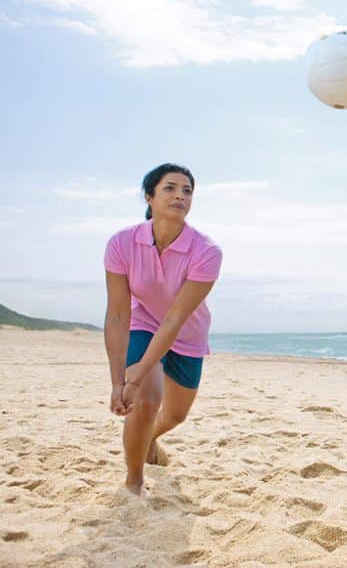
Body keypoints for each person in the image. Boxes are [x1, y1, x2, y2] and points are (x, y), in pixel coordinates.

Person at [103, 163, 222, 496]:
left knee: (175, 415)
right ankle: (134, 482)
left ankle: (151, 436)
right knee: (145, 400)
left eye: (187, 190)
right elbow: (117, 314)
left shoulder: (207, 251)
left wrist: (135, 375)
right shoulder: (121, 243)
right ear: (149, 196)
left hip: (186, 332)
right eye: (170, 188)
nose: (180, 195)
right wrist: (119, 382)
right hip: (143, 324)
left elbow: (175, 318)